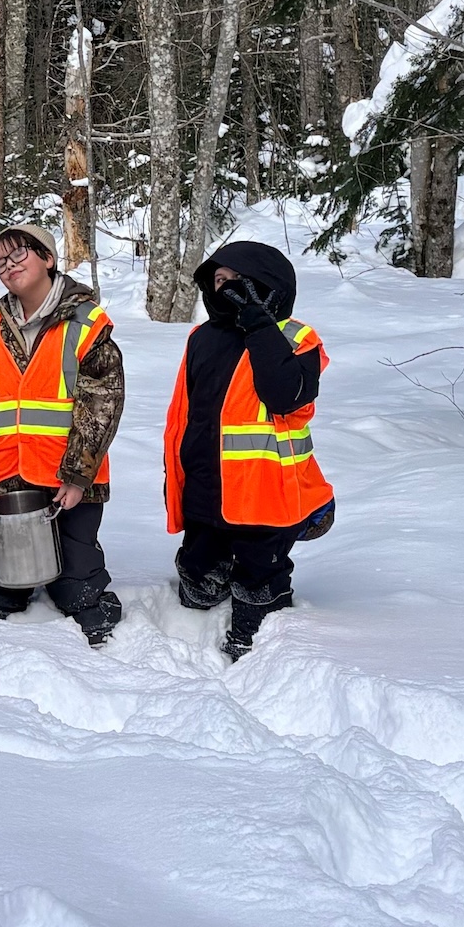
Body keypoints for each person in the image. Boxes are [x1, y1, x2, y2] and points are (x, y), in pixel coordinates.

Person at [0, 224, 125, 645]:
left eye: (18, 255)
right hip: (9, 477)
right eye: (0, 263)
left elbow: (102, 405)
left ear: (47, 258)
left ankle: (87, 597)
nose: (9, 267)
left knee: (76, 590)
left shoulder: (87, 323)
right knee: (4, 589)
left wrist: (77, 476)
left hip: (70, 480)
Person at [164, 239, 333, 661]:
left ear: (266, 286)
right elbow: (189, 409)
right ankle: (208, 586)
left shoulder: (295, 338)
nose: (225, 290)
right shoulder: (202, 337)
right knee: (198, 576)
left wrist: (259, 323)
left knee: (260, 573)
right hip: (206, 481)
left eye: (237, 282)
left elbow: (284, 396)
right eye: (218, 281)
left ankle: (258, 625)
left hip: (267, 490)